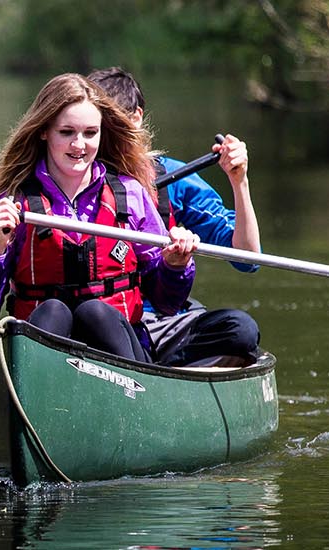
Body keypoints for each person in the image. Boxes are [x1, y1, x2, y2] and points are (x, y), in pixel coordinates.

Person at [0, 73, 200, 363]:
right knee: (53, 311)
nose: (79, 145)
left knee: (94, 312)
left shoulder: (131, 195)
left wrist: (175, 265)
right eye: (67, 132)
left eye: (90, 133)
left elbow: (167, 303)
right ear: (44, 131)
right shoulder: (11, 206)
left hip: (123, 360)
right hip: (43, 359)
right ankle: (39, 396)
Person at [88, 67, 261, 367]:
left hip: (164, 321)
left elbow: (247, 258)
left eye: (112, 125)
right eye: (94, 127)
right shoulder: (73, 180)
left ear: (136, 118)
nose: (102, 139)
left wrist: (239, 181)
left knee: (241, 331)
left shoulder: (173, 179)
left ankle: (160, 371)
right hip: (102, 319)